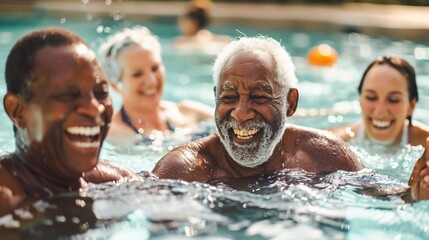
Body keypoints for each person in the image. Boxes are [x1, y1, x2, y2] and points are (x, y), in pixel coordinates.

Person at [153, 36, 364, 183]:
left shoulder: (326, 156)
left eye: (259, 97)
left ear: (290, 103)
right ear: (216, 98)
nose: (241, 113)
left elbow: (383, 195)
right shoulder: (184, 171)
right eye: (229, 97)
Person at [0, 28, 141, 216]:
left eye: (101, 93)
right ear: (17, 111)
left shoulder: (110, 181)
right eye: (67, 95)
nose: (94, 108)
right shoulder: (7, 199)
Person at [99, 26, 214, 147]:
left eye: (155, 68)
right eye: (137, 74)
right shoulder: (111, 135)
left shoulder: (192, 113)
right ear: (116, 86)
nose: (151, 81)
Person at [328, 56, 429, 147]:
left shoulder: (425, 143)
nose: (380, 111)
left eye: (393, 100)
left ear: (411, 106)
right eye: (371, 97)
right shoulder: (335, 142)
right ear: (360, 100)